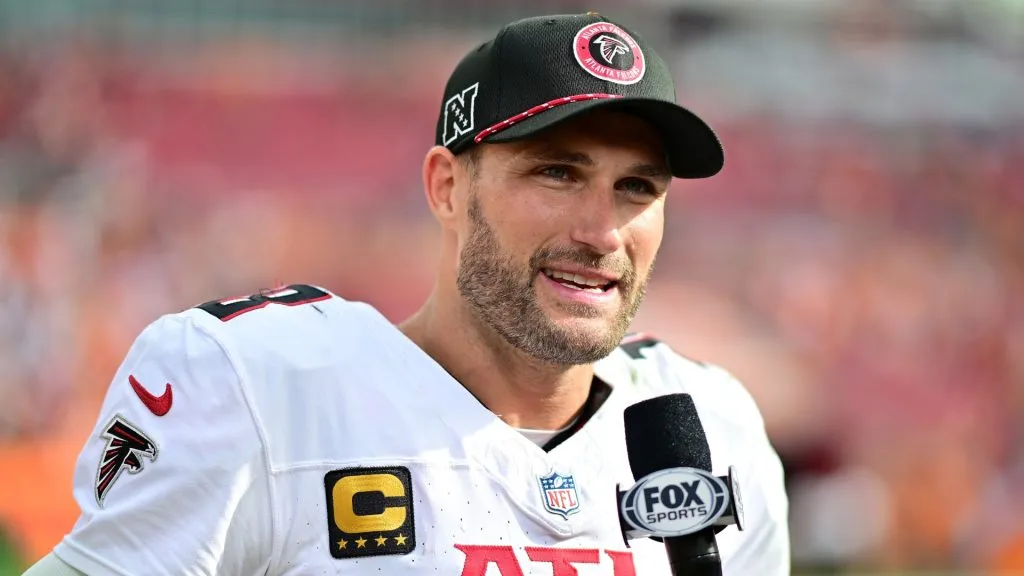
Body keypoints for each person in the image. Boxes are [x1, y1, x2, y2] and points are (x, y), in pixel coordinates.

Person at [25, 12, 789, 575]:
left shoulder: (709, 427)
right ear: (448, 187)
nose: (603, 230)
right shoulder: (254, 389)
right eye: (558, 173)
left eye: (636, 187)